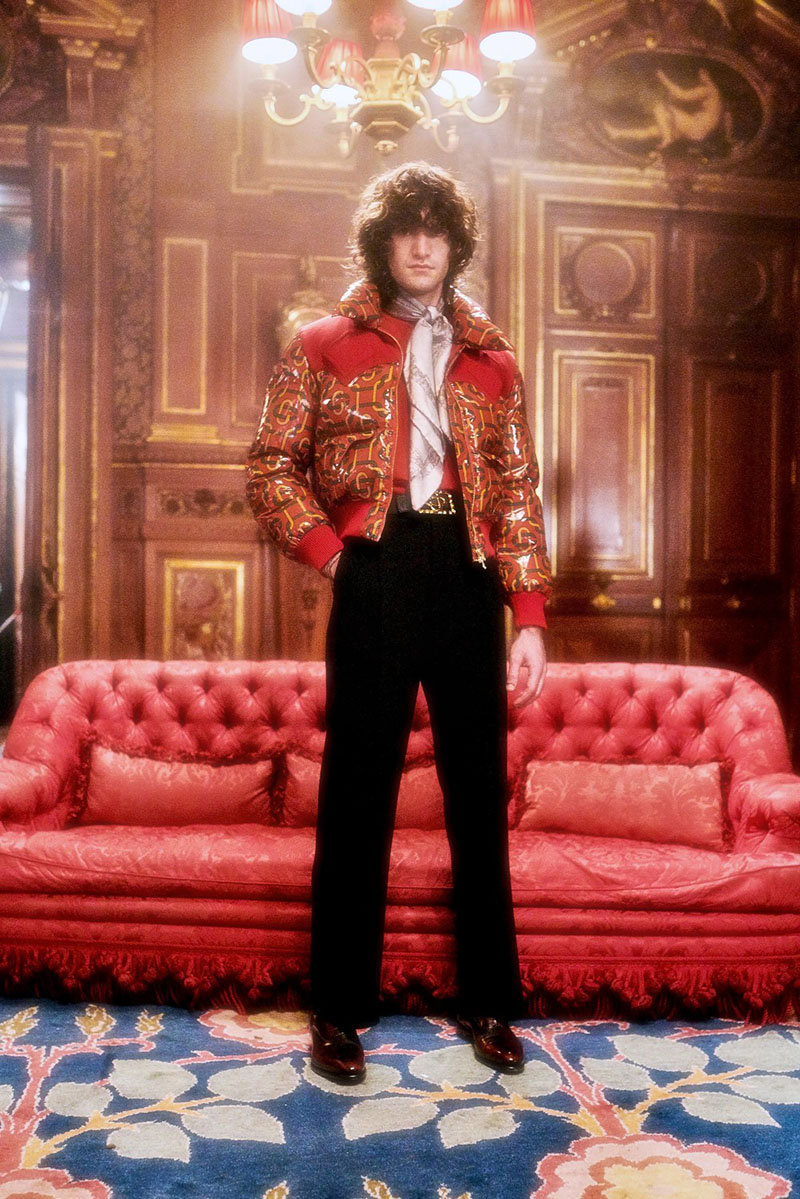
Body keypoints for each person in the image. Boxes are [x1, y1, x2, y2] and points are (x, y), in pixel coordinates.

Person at [246, 162, 552, 1085]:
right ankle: (338, 1009)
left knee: (477, 794)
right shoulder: (323, 343)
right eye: (405, 230)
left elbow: (518, 491)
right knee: (358, 792)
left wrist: (529, 616)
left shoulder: (493, 358)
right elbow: (270, 465)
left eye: (437, 230)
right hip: (375, 563)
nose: (422, 245)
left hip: (467, 569)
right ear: (382, 244)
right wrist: (335, 556)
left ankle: (490, 1001)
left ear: (456, 245)